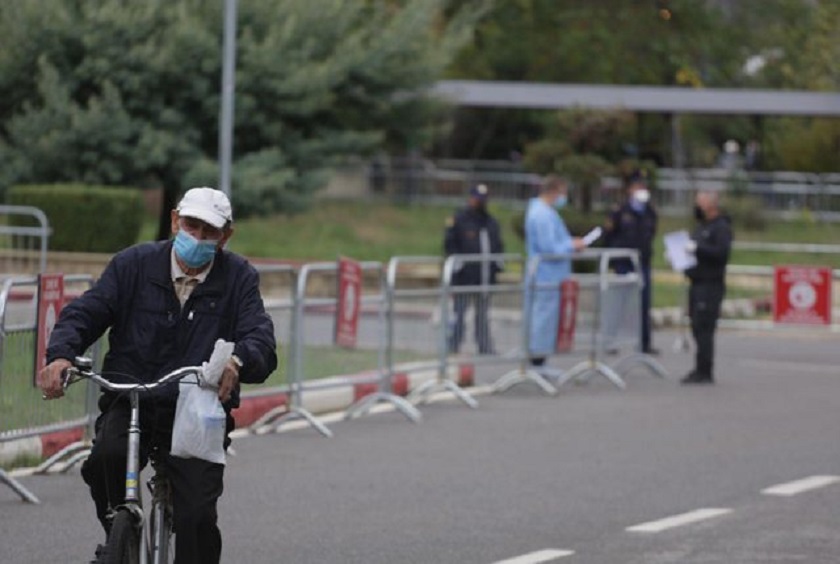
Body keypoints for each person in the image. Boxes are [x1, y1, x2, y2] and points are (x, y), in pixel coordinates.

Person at [37, 187, 278, 563]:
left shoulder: (239, 277)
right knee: (104, 460)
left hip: (196, 409)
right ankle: (119, 532)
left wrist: (239, 361)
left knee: (197, 515)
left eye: (208, 231)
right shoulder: (133, 264)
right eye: (190, 225)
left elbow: (259, 336)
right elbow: (87, 312)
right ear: (174, 220)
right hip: (131, 396)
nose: (196, 237)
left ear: (225, 236)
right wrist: (61, 356)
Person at [524, 175, 586, 372]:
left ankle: (540, 359)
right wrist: (572, 245)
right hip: (545, 275)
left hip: (551, 275)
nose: (564, 197)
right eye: (562, 192)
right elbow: (549, 247)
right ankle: (537, 361)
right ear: (554, 191)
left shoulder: (545, 212)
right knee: (542, 318)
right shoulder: (541, 214)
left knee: (547, 318)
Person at [602, 169, 659, 354]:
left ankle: (644, 343)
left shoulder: (650, 211)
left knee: (643, 303)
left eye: (643, 186)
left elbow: (651, 233)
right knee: (618, 303)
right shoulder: (620, 210)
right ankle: (610, 340)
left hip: (642, 262)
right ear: (629, 189)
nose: (641, 189)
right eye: (637, 186)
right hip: (623, 262)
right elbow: (609, 235)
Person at [444, 183, 504, 354]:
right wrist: (457, 267)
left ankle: (485, 346)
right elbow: (450, 245)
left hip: (484, 277)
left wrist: (497, 267)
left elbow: (498, 246)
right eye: (477, 199)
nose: (479, 203)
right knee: (459, 314)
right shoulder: (460, 220)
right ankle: (453, 346)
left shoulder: (491, 222)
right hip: (464, 277)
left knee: (483, 315)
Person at [681, 190, 732, 384]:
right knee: (696, 325)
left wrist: (698, 249)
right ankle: (700, 367)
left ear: (711, 205)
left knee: (704, 327)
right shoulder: (701, 227)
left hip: (710, 284)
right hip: (696, 281)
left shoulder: (721, 227)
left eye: (700, 203)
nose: (697, 207)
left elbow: (720, 253)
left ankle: (705, 370)